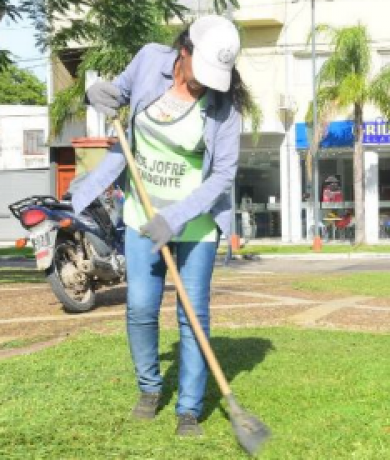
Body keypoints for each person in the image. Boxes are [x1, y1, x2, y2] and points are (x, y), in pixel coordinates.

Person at [71, 15, 247, 437]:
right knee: (141, 307)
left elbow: (223, 175)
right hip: (141, 217)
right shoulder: (151, 60)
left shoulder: (226, 108)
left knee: (193, 314)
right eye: (200, 73)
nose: (204, 84)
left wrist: (175, 217)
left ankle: (188, 408)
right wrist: (98, 92)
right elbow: (119, 93)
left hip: (194, 224)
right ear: (184, 51)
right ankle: (150, 389)